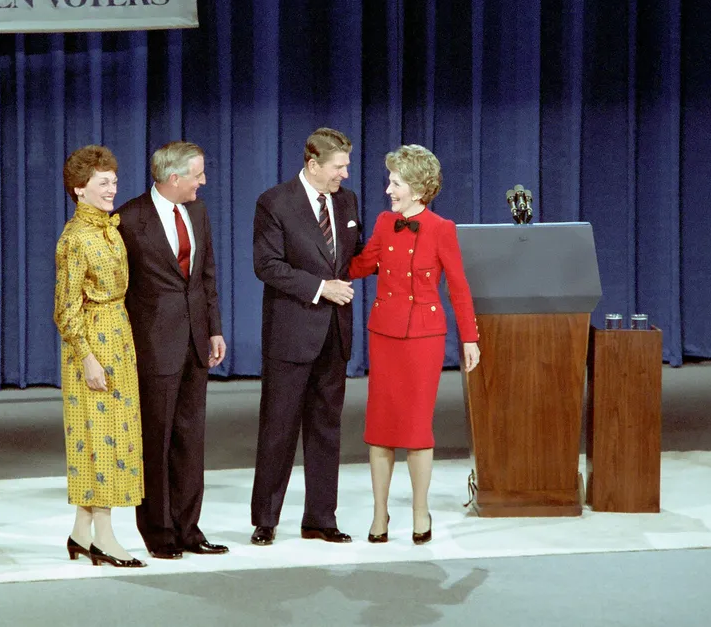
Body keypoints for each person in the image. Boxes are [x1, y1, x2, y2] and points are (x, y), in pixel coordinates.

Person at [347, 144, 480, 545]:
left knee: (418, 428)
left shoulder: (442, 228)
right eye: (390, 181)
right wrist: (322, 253)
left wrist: (470, 338)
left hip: (424, 339)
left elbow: (458, 287)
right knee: (381, 428)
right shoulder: (385, 223)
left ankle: (420, 512)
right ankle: (379, 515)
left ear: (419, 190)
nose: (389, 189)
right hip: (385, 335)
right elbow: (360, 265)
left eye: (396, 183)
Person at [249, 127, 364, 546]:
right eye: (338, 167)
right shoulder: (275, 202)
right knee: (279, 429)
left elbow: (355, 254)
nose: (344, 175)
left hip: (334, 334)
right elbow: (267, 264)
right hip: (291, 333)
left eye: (346, 166)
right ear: (313, 165)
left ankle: (320, 518)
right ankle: (266, 519)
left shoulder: (347, 202)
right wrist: (321, 287)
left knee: (326, 429)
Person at [116, 141, 230, 560]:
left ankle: (189, 528)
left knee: (190, 439)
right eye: (197, 174)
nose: (203, 182)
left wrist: (214, 329)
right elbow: (121, 290)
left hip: (196, 343)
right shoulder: (128, 219)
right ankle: (158, 531)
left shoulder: (197, 212)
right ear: (174, 177)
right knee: (157, 440)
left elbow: (206, 277)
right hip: (154, 346)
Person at [53, 145, 146, 568]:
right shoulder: (74, 239)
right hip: (90, 344)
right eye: (102, 183)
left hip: (118, 335)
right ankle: (104, 539)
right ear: (79, 190)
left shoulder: (108, 228)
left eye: (113, 181)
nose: (112, 189)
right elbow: (65, 309)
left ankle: (80, 533)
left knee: (115, 436)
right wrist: (88, 357)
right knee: (99, 439)